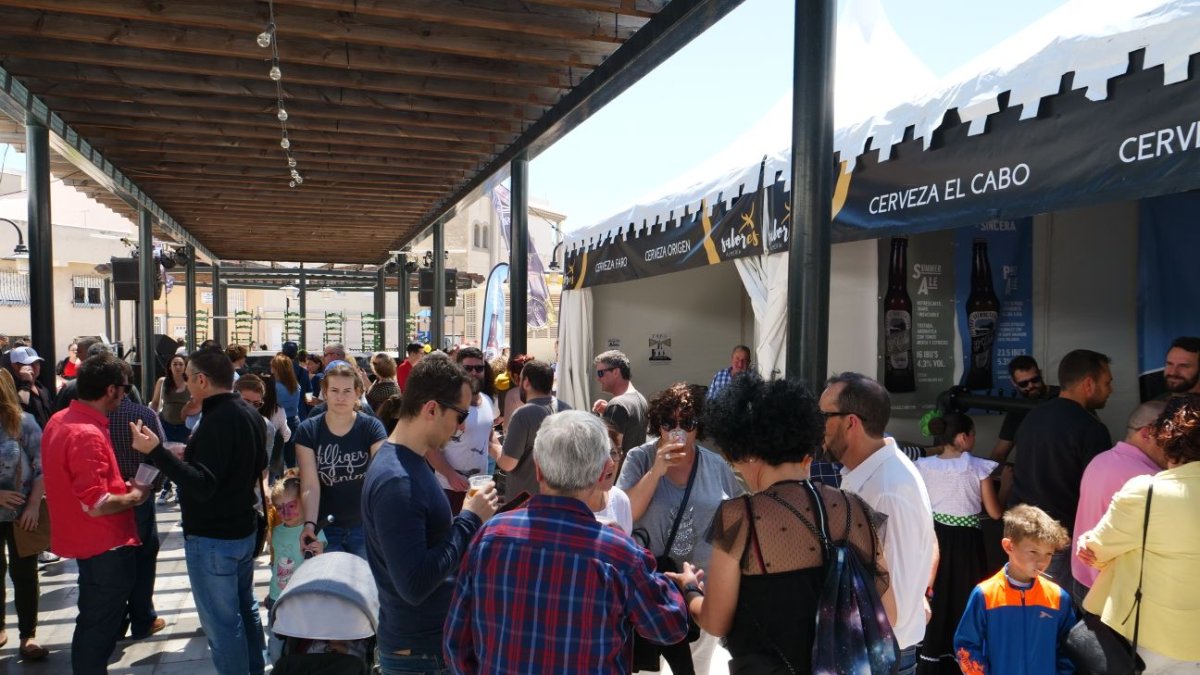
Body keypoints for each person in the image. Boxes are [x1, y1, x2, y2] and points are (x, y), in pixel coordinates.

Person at [666, 373, 896, 674]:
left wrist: (691, 589)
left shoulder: (741, 517)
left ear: (747, 453)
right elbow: (889, 613)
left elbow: (715, 620)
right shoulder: (856, 509)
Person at [444, 410, 689, 673]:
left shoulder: (490, 537)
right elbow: (669, 627)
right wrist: (688, 588)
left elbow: (455, 644)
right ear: (602, 472)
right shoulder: (618, 553)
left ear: (538, 469)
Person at [129, 347, 269, 675]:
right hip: (241, 531)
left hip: (214, 539)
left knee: (222, 627)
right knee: (244, 610)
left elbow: (203, 485)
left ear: (202, 380)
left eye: (189, 377)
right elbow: (251, 465)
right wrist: (185, 454)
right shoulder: (248, 413)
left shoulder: (219, 419)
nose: (186, 382)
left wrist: (157, 452)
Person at [360, 354, 499, 675]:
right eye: (461, 414)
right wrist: (469, 519)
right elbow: (414, 583)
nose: (463, 424)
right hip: (421, 654)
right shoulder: (398, 479)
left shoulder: (404, 463)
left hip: (422, 647)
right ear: (431, 409)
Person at [616, 382, 744, 675]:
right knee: (648, 669)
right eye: (668, 423)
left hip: (700, 589)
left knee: (696, 670)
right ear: (657, 426)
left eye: (687, 422)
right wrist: (656, 472)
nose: (678, 430)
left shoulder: (715, 466)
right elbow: (626, 515)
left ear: (699, 426)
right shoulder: (640, 458)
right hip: (648, 589)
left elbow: (739, 520)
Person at [819, 372, 934, 675]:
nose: (819, 428)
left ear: (850, 422)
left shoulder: (884, 490)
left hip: (880, 656)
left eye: (824, 417)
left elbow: (885, 600)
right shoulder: (882, 474)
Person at [1077, 394, 1200, 671]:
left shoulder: (1147, 490)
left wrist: (1087, 543)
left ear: (1166, 436)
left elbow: (1095, 550)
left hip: (1150, 638)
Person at [41, 352, 147, 674]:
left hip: (87, 543)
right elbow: (97, 503)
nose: (126, 395)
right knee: (98, 627)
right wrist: (135, 495)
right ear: (111, 389)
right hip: (104, 545)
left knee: (93, 621)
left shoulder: (60, 420)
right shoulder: (84, 431)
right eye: (125, 388)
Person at [1008, 348, 1112, 599]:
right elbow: (1099, 491)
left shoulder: (1033, 416)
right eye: (1107, 382)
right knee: (1055, 615)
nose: (1110, 389)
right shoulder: (1091, 429)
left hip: (1019, 534)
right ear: (1089, 384)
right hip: (1057, 541)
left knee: (1024, 607)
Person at [914, 413, 1001, 675]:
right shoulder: (977, 467)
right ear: (964, 437)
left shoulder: (923, 465)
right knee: (965, 596)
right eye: (973, 434)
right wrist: (1006, 486)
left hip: (934, 537)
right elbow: (995, 513)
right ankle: (965, 660)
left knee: (936, 595)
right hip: (966, 542)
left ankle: (931, 657)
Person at [954, 504, 1075, 675]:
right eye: (1034, 551)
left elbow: (1069, 650)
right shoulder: (985, 594)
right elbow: (966, 644)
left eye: (1049, 554)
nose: (1042, 561)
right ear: (1009, 546)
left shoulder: (1058, 597)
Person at [1071, 400, 1166, 592]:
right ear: (1147, 433)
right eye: (1169, 435)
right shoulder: (1149, 479)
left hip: (1083, 580)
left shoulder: (1100, 460)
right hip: (1113, 591)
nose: (1175, 443)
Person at [295, 363, 387, 557]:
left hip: (364, 526)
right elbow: (310, 484)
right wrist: (310, 525)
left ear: (357, 393)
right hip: (325, 527)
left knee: (366, 584)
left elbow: (381, 475)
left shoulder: (372, 428)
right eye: (334, 390)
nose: (340, 397)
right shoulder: (308, 430)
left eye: (347, 391)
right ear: (325, 392)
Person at [107, 383, 169, 642]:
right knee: (144, 558)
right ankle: (143, 619)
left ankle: (116, 621)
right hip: (140, 494)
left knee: (115, 561)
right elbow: (161, 454)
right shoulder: (143, 414)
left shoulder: (100, 417)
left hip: (108, 497)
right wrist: (153, 485)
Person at [0, 370, 48, 660]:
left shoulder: (24, 423)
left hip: (22, 513)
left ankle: (27, 634)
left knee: (25, 574)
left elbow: (43, 466)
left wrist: (32, 504)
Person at [425, 347, 500, 513]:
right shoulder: (447, 405)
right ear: (458, 370)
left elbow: (489, 436)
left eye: (479, 368)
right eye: (468, 368)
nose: (474, 372)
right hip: (449, 490)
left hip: (480, 489)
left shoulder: (488, 401)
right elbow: (430, 448)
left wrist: (501, 453)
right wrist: (451, 475)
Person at [497, 359, 569, 500]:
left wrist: (492, 446)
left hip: (526, 504)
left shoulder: (523, 414)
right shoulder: (567, 409)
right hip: (560, 500)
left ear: (526, 382)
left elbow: (508, 463)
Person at [267, 474, 325, 607]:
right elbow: (277, 563)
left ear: (304, 503)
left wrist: (319, 552)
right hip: (277, 596)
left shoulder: (312, 531)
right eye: (279, 508)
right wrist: (271, 592)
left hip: (302, 595)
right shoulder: (276, 531)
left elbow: (320, 561)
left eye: (291, 506)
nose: (285, 513)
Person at [990, 355, 1059, 465]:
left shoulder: (1063, 396)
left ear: (1040, 373)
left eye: (1035, 380)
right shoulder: (1018, 409)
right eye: (1023, 384)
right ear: (1014, 383)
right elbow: (999, 453)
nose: (1031, 386)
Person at [150, 353, 190, 505]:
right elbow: (154, 403)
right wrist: (152, 420)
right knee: (166, 457)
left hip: (184, 426)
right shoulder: (163, 382)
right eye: (175, 364)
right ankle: (167, 488)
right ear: (170, 366)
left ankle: (180, 488)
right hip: (165, 424)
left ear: (185, 366)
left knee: (183, 458)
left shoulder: (189, 382)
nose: (178, 367)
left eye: (181, 364)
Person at [592, 350, 648, 453]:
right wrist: (608, 411)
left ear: (616, 372)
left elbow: (611, 452)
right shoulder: (640, 399)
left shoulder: (617, 405)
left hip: (621, 469)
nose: (598, 379)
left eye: (600, 373)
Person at [589, 421, 633, 533]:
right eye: (600, 454)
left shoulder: (620, 499)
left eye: (613, 453)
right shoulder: (566, 506)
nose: (611, 463)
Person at [9, 347, 53, 428]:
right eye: (28, 364)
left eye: (37, 363)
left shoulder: (42, 387)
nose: (34, 367)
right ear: (15, 366)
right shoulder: (11, 389)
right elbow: (19, 409)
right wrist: (26, 384)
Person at [272, 354, 303, 469]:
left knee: (277, 460)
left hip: (279, 423)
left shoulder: (275, 386)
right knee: (292, 461)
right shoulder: (295, 385)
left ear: (277, 368)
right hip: (294, 421)